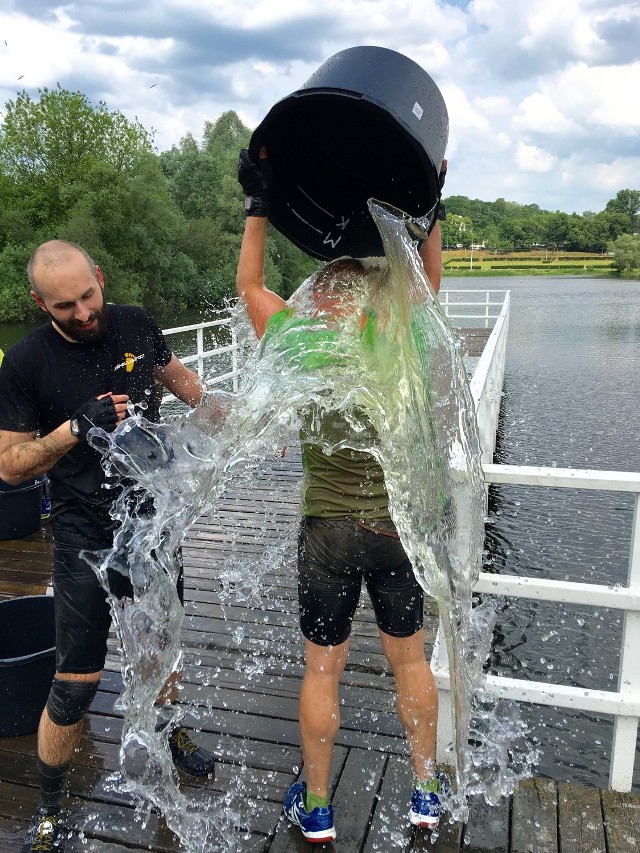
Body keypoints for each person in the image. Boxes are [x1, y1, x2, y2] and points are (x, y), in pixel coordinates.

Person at [236, 150, 447, 843]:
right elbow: (429, 278)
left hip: (326, 531)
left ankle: (318, 804)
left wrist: (258, 203)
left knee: (322, 666)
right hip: (395, 528)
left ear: (319, 296)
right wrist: (431, 203)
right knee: (409, 660)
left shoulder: (296, 336)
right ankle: (424, 791)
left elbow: (249, 283)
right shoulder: (396, 330)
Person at [0, 240, 216, 853]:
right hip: (82, 538)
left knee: (160, 645)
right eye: (63, 306)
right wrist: (73, 428)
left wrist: (246, 420)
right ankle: (47, 803)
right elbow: (11, 466)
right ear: (39, 302)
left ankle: (171, 733)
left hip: (151, 523)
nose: (83, 313)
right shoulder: (24, 363)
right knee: (76, 680)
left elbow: (187, 388)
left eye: (88, 296)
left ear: (100, 276)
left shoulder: (137, 323)